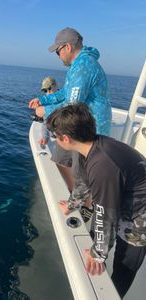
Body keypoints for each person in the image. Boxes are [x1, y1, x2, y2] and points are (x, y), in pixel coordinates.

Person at [46, 103, 146, 298]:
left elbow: (105, 214)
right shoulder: (90, 146)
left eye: (55, 137)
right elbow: (83, 181)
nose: (55, 141)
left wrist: (98, 254)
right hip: (126, 199)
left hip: (140, 216)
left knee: (125, 264)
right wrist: (72, 204)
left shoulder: (102, 165)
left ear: (66, 138)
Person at [29, 27, 112, 220]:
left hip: (90, 129)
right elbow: (66, 93)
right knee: (59, 159)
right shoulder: (77, 65)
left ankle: (89, 204)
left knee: (82, 172)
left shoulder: (84, 66)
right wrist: (43, 100)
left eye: (57, 51)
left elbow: (72, 104)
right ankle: (79, 198)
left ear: (67, 47)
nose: (57, 56)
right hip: (76, 124)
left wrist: (45, 112)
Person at [38, 77, 58, 146]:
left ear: (55, 86)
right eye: (45, 91)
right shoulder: (46, 103)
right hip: (57, 138)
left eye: (49, 89)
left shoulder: (66, 98)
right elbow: (45, 122)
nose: (48, 93)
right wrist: (45, 136)